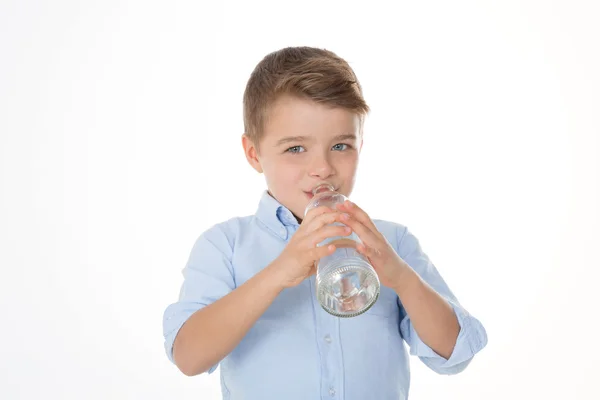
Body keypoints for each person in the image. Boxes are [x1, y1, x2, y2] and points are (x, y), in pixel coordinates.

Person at [162, 46, 488, 399]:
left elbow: (456, 355)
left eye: (341, 146)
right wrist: (279, 271)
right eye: (296, 149)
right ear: (253, 153)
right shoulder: (225, 245)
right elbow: (189, 357)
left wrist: (401, 276)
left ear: (360, 146)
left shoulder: (391, 242)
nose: (322, 168)